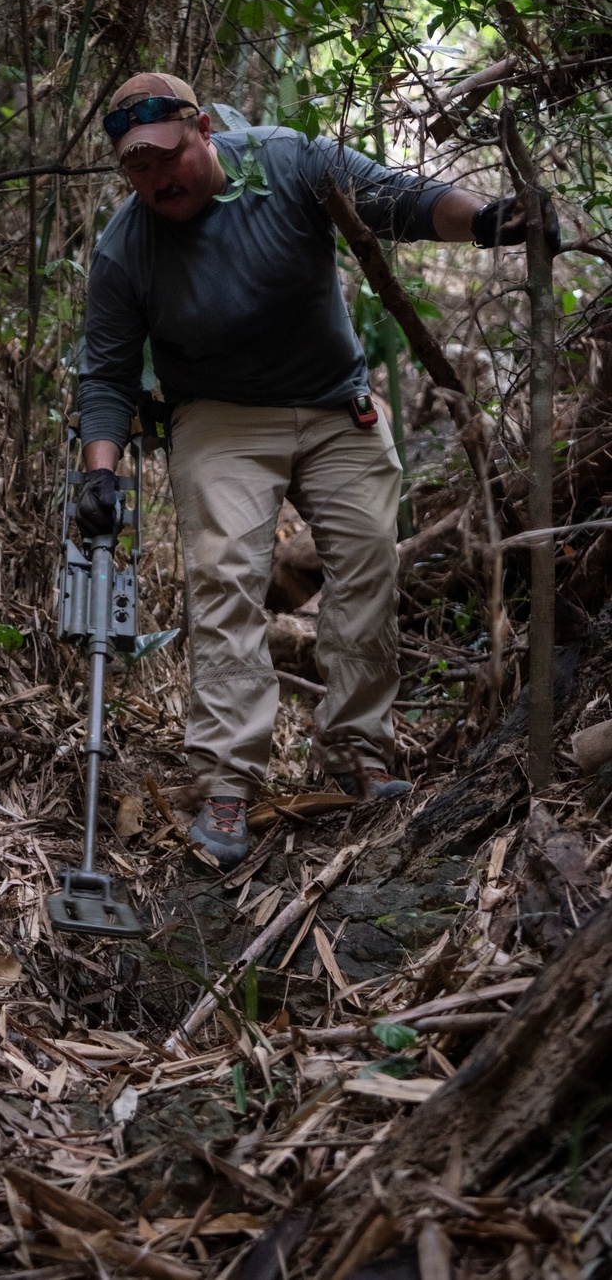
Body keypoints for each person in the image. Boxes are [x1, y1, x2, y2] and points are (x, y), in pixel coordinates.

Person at [75, 71, 557, 866]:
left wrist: (489, 222)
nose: (157, 178)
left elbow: (394, 199)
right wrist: (100, 471)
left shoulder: (286, 162)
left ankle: (358, 753)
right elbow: (108, 373)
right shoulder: (127, 247)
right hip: (218, 415)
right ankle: (228, 783)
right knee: (225, 573)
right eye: (137, 166)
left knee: (367, 560)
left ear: (202, 129)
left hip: (337, 406)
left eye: (167, 155)